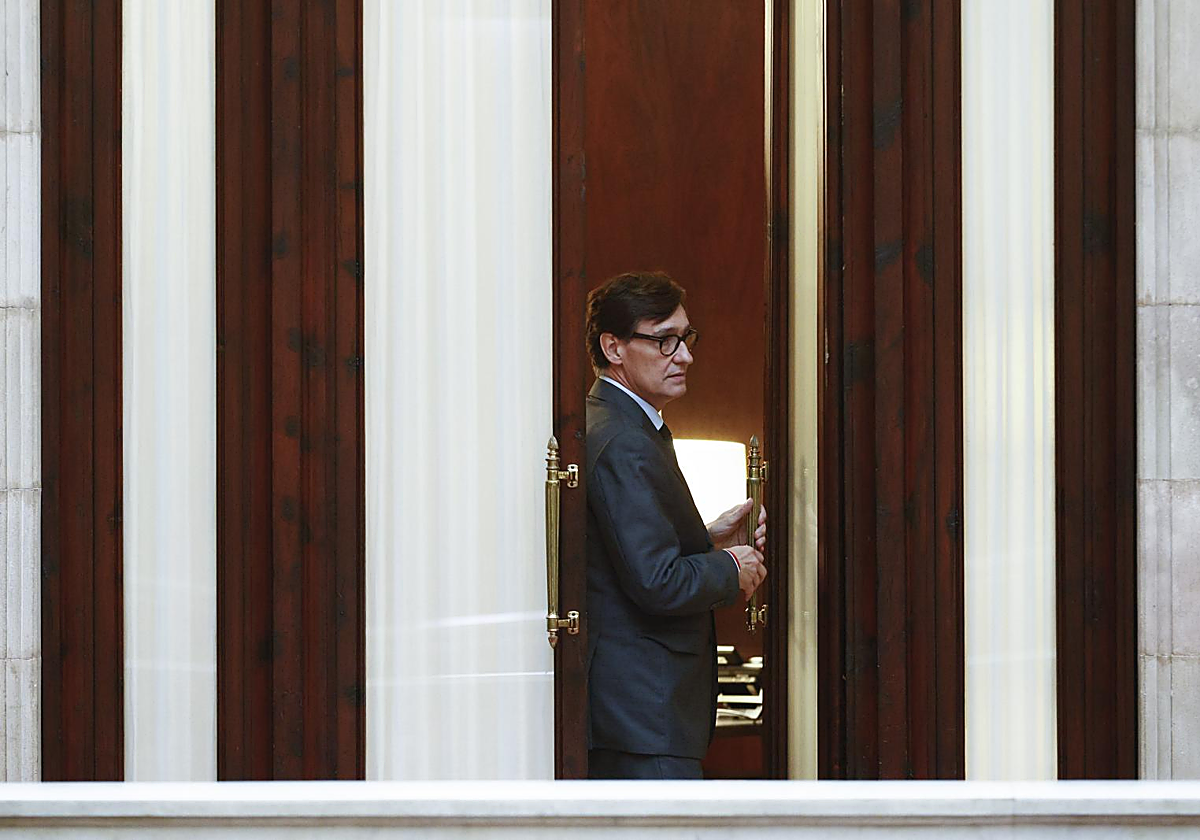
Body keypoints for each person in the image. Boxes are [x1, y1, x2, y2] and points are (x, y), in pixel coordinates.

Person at [583, 270, 767, 780]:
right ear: (613, 347)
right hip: (643, 714)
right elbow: (655, 582)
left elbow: (622, 555)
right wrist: (730, 567)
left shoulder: (626, 425)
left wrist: (706, 542)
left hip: (642, 713)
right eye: (664, 341)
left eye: (685, 338)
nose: (684, 355)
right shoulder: (623, 438)